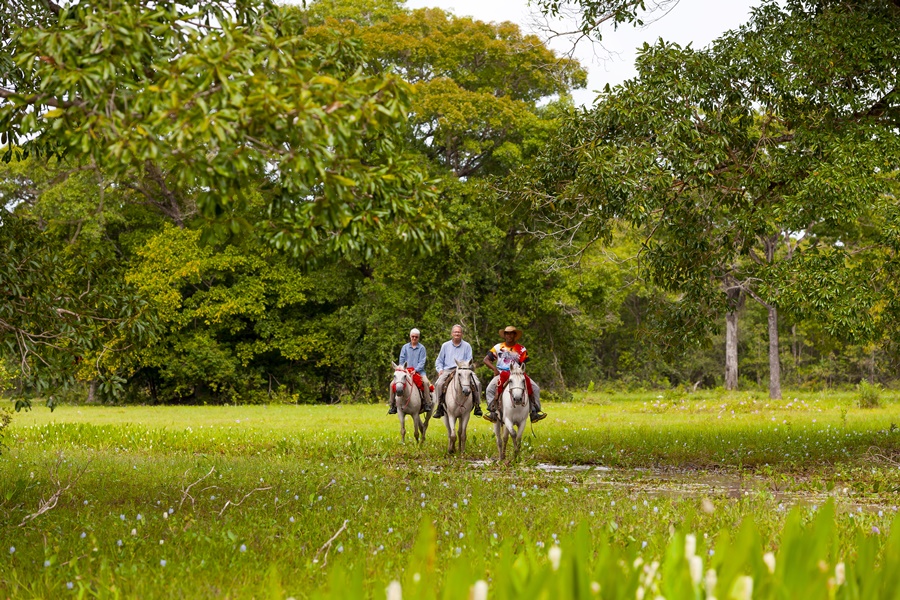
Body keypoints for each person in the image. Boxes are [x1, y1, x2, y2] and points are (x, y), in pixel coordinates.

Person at [483, 326, 547, 423]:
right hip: (502, 373)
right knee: (490, 389)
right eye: (507, 333)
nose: (509, 335)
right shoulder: (498, 347)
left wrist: (520, 372)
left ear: (515, 335)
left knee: (535, 388)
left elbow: (523, 364)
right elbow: (486, 360)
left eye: (511, 333)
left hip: (517, 373)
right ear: (504, 335)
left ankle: (534, 411)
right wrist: (494, 369)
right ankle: (493, 411)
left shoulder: (521, 349)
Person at [431, 324, 483, 418]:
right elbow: (439, 360)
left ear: (462, 334)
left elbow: (469, 360)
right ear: (452, 333)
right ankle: (439, 407)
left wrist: (465, 368)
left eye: (459, 332)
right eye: (455, 332)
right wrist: (440, 370)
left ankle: (477, 405)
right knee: (438, 384)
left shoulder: (467, 346)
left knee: (477, 383)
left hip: (464, 370)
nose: (457, 333)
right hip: (448, 369)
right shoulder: (445, 346)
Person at [389, 328, 433, 414]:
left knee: (425, 382)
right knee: (392, 384)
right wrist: (404, 370)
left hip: (419, 371)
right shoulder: (405, 347)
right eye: (413, 336)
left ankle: (427, 403)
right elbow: (401, 361)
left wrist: (416, 370)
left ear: (418, 337)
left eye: (416, 337)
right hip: (405, 371)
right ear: (410, 336)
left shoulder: (422, 348)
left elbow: (422, 361)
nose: (414, 338)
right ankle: (392, 405)